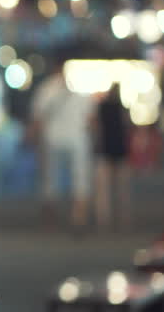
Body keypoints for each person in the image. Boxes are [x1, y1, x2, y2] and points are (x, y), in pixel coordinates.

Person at [29, 58, 95, 232]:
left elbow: (38, 117)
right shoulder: (81, 87)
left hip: (52, 139)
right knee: (80, 179)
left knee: (50, 179)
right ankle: (78, 217)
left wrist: (35, 140)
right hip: (78, 138)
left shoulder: (47, 88)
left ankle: (50, 220)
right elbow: (90, 118)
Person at [93, 82, 131, 232]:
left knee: (103, 189)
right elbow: (127, 126)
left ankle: (103, 218)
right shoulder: (122, 107)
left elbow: (97, 128)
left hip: (106, 148)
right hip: (120, 149)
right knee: (122, 188)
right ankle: (123, 217)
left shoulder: (101, 107)